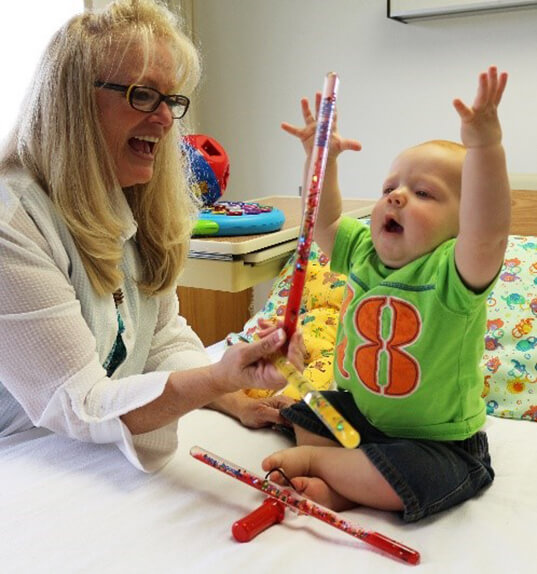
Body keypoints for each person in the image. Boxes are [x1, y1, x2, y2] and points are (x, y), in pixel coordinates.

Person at [0, 0, 302, 472]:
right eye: (143, 94)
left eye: (171, 99)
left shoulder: (126, 200)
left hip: (83, 458)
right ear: (73, 101)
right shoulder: (11, 222)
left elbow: (162, 338)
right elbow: (78, 402)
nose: (166, 119)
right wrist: (213, 380)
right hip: (24, 466)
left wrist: (228, 389)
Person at [262, 66, 511, 522]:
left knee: (418, 476)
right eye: (389, 188)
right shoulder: (362, 252)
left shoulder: (454, 271)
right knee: (310, 411)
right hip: (361, 418)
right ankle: (346, 486)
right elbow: (325, 221)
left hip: (437, 442)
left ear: (461, 227)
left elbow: (490, 232)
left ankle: (327, 467)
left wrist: (486, 147)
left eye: (423, 193)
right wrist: (323, 159)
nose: (396, 197)